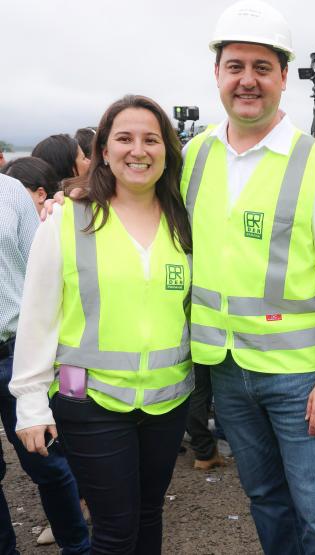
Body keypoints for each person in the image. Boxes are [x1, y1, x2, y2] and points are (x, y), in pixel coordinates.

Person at [180, 1, 315, 552]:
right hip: (226, 369)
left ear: (284, 77)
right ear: (217, 73)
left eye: (262, 68)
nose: (247, 80)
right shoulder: (194, 156)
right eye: (235, 66)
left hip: (299, 379)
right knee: (264, 498)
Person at [12, 94, 193, 554]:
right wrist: (30, 401)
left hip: (167, 401)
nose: (138, 150)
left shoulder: (183, 220)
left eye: (151, 139)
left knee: (149, 515)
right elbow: (37, 314)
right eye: (125, 138)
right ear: (104, 152)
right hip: (91, 402)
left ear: (167, 151)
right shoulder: (67, 218)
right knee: (115, 530)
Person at [0, 172, 91, 555]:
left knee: (48, 462)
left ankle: (78, 547)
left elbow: (41, 273)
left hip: (14, 350)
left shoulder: (9, 191)